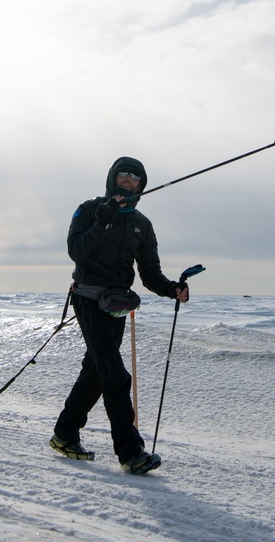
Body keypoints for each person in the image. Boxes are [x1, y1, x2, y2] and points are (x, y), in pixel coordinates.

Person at [50, 156, 189, 475]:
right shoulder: (89, 209)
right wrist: (104, 220)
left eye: (136, 177)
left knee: (97, 372)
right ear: (113, 177)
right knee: (115, 374)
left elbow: (150, 273)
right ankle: (130, 452)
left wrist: (173, 289)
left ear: (142, 184)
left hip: (117, 304)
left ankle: (64, 433)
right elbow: (77, 251)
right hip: (87, 297)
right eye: (124, 174)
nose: (129, 180)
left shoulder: (142, 224)